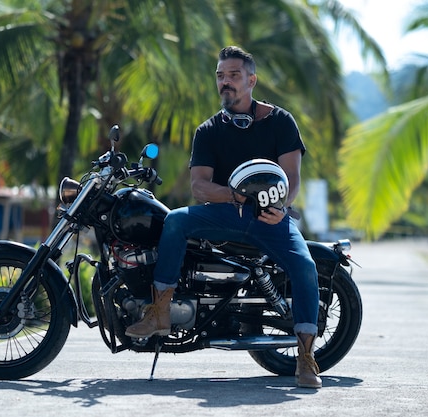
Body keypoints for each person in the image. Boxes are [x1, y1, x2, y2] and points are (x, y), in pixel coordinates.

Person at [125, 46, 321, 389]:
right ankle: (159, 311)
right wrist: (236, 197)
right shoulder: (209, 130)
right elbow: (200, 186)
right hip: (225, 213)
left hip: (272, 219)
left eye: (233, 75)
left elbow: (292, 178)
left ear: (251, 80)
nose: (225, 82)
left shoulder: (280, 122)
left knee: (305, 266)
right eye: (220, 76)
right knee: (175, 221)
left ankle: (305, 358)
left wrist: (281, 207)